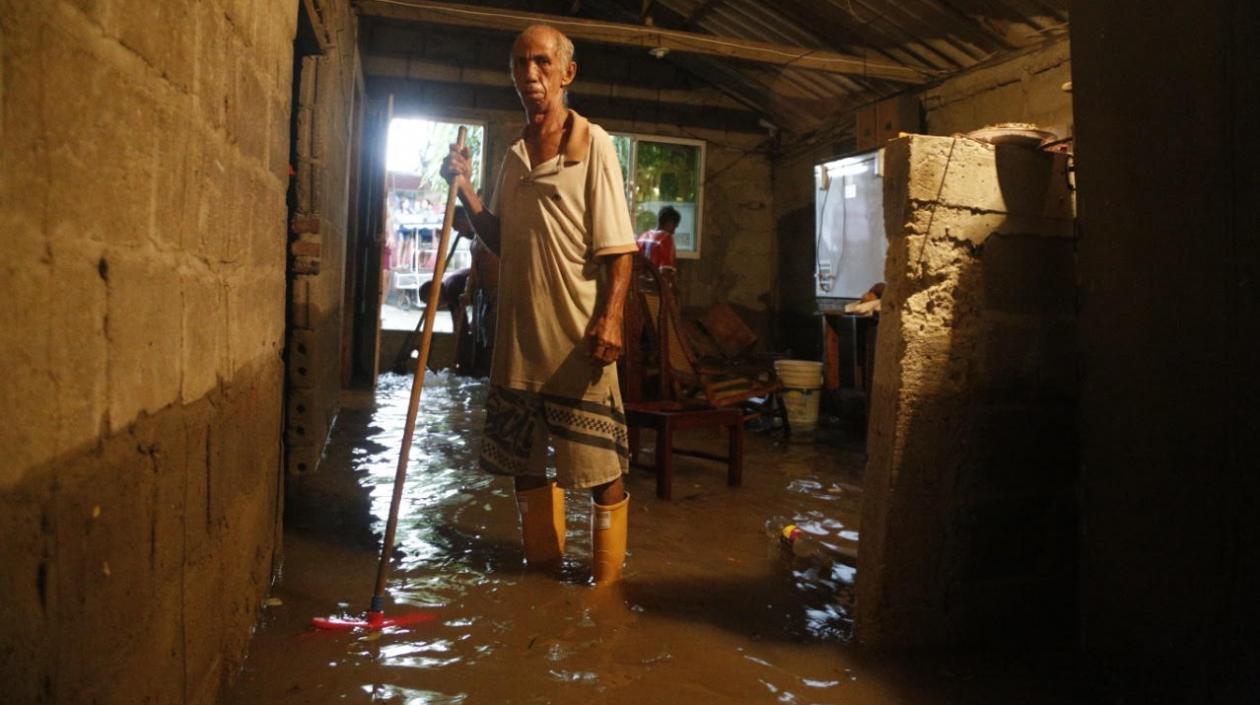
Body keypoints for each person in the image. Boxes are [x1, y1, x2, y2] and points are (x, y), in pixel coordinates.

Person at [441, 24, 638, 585]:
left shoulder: (593, 144)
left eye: (542, 63)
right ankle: (542, 581)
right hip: (518, 344)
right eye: (520, 64)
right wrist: (466, 190)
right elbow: (500, 237)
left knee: (601, 470)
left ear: (567, 73)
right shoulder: (513, 157)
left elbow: (620, 250)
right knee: (523, 469)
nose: (530, 75)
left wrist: (612, 319)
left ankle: (606, 594)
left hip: (578, 341)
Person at [636, 205, 681, 278]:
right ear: (669, 223)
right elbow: (666, 272)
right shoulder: (666, 238)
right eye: (674, 226)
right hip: (656, 287)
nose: (674, 232)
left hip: (639, 287)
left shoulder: (642, 237)